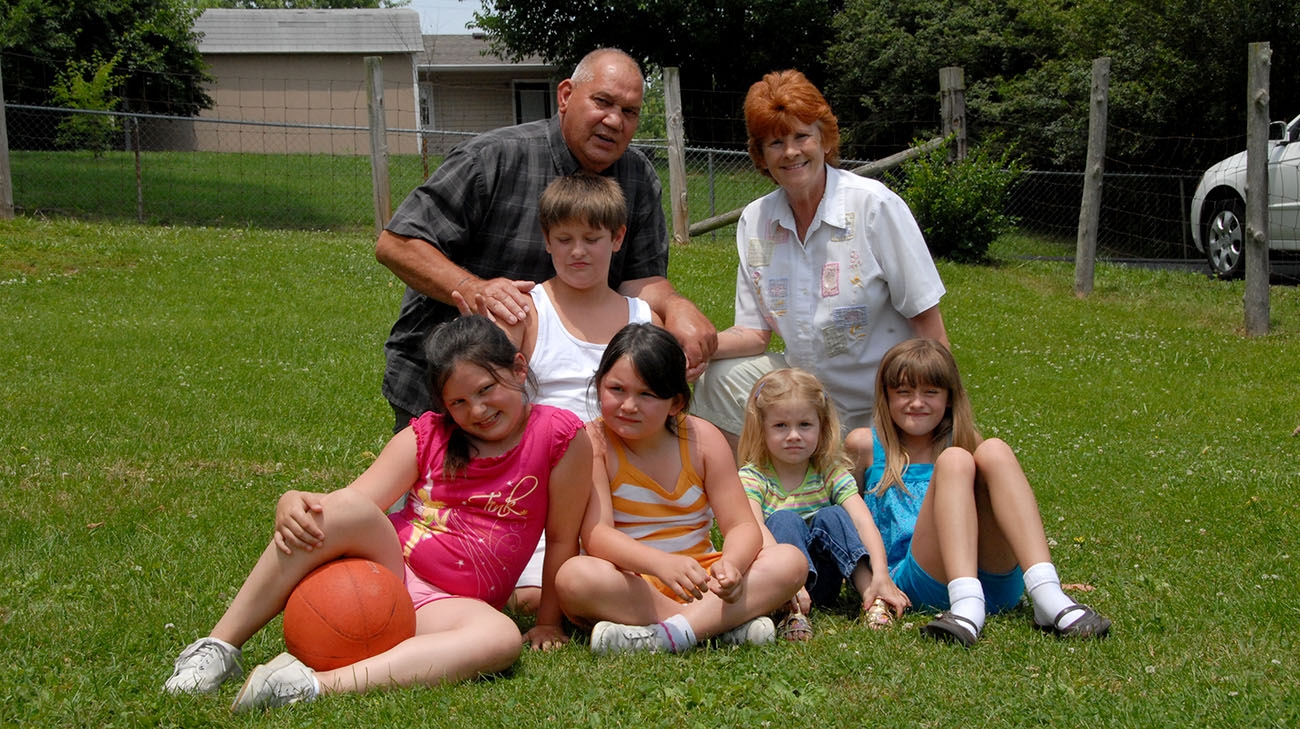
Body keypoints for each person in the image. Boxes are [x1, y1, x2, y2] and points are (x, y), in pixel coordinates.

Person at [162, 316, 592, 711]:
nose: (477, 411)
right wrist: (292, 497)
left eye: (486, 389)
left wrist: (549, 623)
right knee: (343, 510)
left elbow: (560, 537)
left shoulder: (559, 436)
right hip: (389, 568)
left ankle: (307, 686)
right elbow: (348, 503)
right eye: (458, 402)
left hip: (450, 605)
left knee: (500, 639)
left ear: (519, 369)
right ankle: (218, 648)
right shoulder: (427, 435)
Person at [377, 47, 715, 434]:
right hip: (449, 385)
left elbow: (640, 280)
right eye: (602, 102)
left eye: (630, 111)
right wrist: (472, 289)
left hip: (567, 396)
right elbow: (397, 242)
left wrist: (676, 306)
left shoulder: (637, 178)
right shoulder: (492, 159)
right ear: (566, 95)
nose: (614, 120)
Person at [694, 69, 948, 453]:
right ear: (760, 155)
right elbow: (753, 333)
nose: (791, 152)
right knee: (717, 378)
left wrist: (945, 421)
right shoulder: (756, 221)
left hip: (880, 404)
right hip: (803, 398)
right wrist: (693, 347)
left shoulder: (873, 207)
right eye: (776, 142)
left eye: (802, 136)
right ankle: (752, 493)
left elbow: (929, 326)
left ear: (824, 140)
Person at [455, 171, 657, 614]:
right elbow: (493, 400)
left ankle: (639, 604)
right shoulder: (526, 312)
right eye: (564, 239)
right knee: (532, 597)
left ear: (618, 237)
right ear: (546, 241)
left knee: (613, 577)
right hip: (548, 484)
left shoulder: (642, 318)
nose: (578, 251)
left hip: (627, 478)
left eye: (592, 237)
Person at [554, 324, 807, 654]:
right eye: (616, 389)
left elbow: (742, 524)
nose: (629, 405)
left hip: (702, 576)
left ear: (676, 403)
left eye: (647, 395)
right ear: (598, 384)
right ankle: (715, 626)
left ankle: (663, 635)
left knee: (789, 561)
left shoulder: (703, 440)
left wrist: (731, 564)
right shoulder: (594, 443)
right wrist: (659, 564)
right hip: (634, 583)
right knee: (575, 577)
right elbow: (598, 536)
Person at [848, 338, 1111, 646]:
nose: (916, 402)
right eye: (904, 392)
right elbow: (844, 520)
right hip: (918, 582)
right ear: (886, 397)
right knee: (956, 459)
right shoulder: (865, 445)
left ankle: (1046, 591)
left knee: (994, 450)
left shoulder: (965, 438)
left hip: (995, 585)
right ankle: (965, 603)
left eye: (930, 392)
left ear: (948, 398)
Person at [736, 368, 908, 641]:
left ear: (822, 427)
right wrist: (787, 583)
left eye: (805, 425)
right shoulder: (753, 477)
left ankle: (872, 593)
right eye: (781, 426)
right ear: (761, 429)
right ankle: (789, 611)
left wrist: (883, 574)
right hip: (777, 580)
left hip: (824, 580)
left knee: (834, 514)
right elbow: (755, 527)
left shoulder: (829, 472)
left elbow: (863, 522)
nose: (794, 435)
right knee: (784, 520)